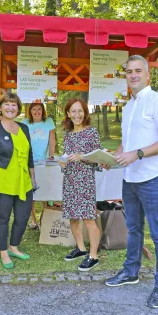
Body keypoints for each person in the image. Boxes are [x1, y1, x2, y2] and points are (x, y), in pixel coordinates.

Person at [104, 55, 158, 309]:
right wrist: (113, 158)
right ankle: (131, 272)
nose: (133, 75)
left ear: (148, 75)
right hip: (130, 178)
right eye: (129, 71)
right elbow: (127, 143)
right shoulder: (128, 106)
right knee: (133, 229)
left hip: (153, 178)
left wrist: (137, 154)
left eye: (138, 71)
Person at [0, 92, 36, 269]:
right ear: (0, 108)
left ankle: (13, 246)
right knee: (3, 218)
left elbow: (29, 156)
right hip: (2, 181)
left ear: (18, 109)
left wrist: (33, 177)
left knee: (22, 217)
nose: (11, 108)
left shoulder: (24, 128)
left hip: (23, 181)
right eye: (7, 104)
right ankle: (3, 251)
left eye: (14, 105)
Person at [58, 98, 102, 272]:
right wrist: (62, 163)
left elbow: (98, 159)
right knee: (73, 217)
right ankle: (81, 248)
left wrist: (82, 156)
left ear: (85, 113)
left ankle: (93, 256)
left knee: (88, 220)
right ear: (68, 114)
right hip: (69, 181)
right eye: (73, 111)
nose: (77, 115)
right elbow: (66, 157)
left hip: (85, 182)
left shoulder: (92, 133)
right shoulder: (68, 135)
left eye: (80, 111)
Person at [22, 102, 56, 229]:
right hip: (29, 162)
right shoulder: (25, 122)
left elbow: (52, 141)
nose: (37, 112)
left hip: (44, 162)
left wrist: (51, 156)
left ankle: (45, 217)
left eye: (39, 109)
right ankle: (33, 220)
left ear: (43, 110)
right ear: (30, 111)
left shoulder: (48, 122)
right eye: (34, 109)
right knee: (31, 193)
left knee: (45, 191)